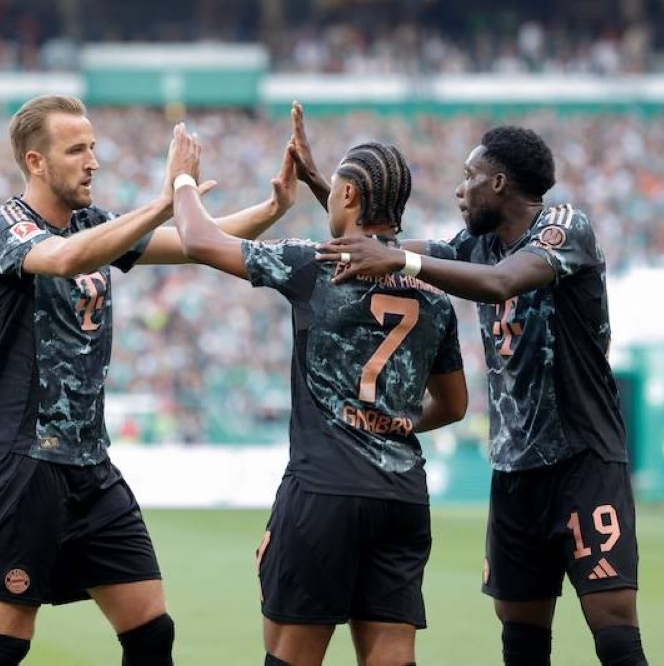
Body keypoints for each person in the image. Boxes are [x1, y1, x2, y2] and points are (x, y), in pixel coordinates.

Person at [290, 103, 649, 666]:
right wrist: (332, 192)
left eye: (468, 178)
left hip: (584, 458)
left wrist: (401, 258)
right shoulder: (476, 245)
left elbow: (502, 283)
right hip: (514, 469)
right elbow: (392, 250)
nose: (460, 190)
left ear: (499, 183)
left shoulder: (564, 227)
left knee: (613, 625)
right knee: (521, 629)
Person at [0, 95, 296, 666]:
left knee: (150, 631)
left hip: (90, 464)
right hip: (24, 460)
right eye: (76, 149)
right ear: (36, 162)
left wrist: (270, 209)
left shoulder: (94, 222)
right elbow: (63, 259)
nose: (93, 160)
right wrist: (166, 199)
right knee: (1, 644)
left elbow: (193, 244)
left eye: (93, 146)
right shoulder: (4, 225)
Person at [169, 124, 468, 666]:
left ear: (348, 195)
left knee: (291, 657)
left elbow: (198, 241)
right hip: (401, 497)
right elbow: (453, 406)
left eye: (335, 188)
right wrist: (387, 422)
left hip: (325, 492)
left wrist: (182, 179)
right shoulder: (434, 292)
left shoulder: (313, 266)